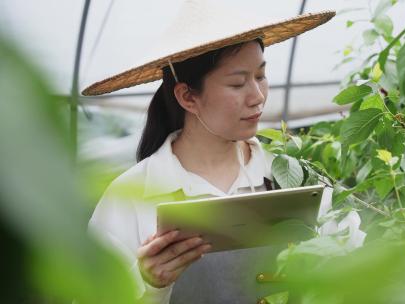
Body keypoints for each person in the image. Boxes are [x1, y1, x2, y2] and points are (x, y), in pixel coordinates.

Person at [84, 1, 364, 303]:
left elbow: (359, 266)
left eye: (260, 76)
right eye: (237, 83)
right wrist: (150, 284)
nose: (257, 97)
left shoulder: (289, 176)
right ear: (188, 96)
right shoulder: (130, 197)